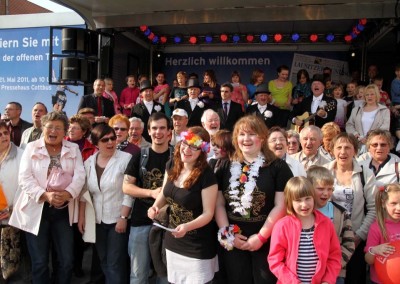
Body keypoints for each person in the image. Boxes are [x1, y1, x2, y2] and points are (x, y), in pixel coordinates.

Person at [214, 115, 293, 283]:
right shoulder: (225, 165)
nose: (246, 139)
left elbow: (281, 205)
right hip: (233, 239)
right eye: (242, 134)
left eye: (251, 134)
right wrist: (227, 233)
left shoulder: (278, 167)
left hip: (267, 238)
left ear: (262, 137)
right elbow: (219, 203)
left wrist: (261, 237)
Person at [9, 111, 85, 284]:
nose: (53, 131)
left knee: (66, 261)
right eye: (49, 127)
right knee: (40, 262)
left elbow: (80, 176)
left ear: (65, 131)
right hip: (37, 209)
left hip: (63, 211)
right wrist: (45, 195)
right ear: (43, 128)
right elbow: (24, 178)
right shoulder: (31, 147)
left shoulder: (73, 148)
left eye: (58, 127)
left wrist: (67, 194)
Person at [148, 127, 218, 283]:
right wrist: (155, 207)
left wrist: (187, 227)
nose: (187, 149)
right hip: (173, 241)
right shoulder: (172, 164)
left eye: (194, 147)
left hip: (197, 245)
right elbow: (164, 194)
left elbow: (208, 213)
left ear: (202, 151)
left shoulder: (207, 175)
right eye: (185, 143)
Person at [78, 124, 133, 284]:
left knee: (114, 263)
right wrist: (82, 217)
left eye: (113, 138)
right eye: (105, 140)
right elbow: (84, 192)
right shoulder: (89, 162)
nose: (110, 142)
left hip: (117, 219)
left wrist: (123, 216)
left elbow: (128, 191)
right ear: (96, 144)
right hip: (97, 221)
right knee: (103, 261)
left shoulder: (125, 158)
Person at [123, 112, 172, 284]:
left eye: (162, 128)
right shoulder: (140, 155)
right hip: (141, 220)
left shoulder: (178, 157)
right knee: (138, 274)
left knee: (165, 276)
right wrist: (150, 193)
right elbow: (126, 186)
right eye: (154, 128)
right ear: (149, 132)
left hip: (169, 223)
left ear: (169, 132)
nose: (158, 132)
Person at [324, 132, 377, 284]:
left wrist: (359, 236)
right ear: (332, 150)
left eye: (348, 147)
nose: (343, 152)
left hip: (356, 239)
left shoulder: (365, 174)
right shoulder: (323, 171)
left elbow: (373, 209)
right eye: (339, 147)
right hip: (328, 239)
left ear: (355, 150)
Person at [268, 177, 342, 284]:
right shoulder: (282, 226)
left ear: (313, 198)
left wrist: (328, 280)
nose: (304, 204)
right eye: (298, 200)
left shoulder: (326, 224)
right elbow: (275, 261)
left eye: (308, 198)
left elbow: (334, 256)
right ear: (290, 201)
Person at [307, 166, 355, 284]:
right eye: (321, 188)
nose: (326, 193)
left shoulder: (341, 213)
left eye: (330, 189)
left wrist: (334, 266)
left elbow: (349, 244)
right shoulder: (302, 213)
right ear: (309, 188)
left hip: (334, 274)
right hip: (307, 272)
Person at [0, 122, 24, 281]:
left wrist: (12, 206)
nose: (3, 137)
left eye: (5, 133)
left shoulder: (21, 155)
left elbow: (25, 184)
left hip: (13, 213)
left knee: (12, 257)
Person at [365, 183, 400, 284]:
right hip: (380, 280)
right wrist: (375, 250)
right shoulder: (376, 228)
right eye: (393, 203)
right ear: (383, 203)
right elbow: (368, 259)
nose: (399, 208)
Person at [346, 84, 390, 155]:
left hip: (375, 146)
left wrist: (370, 137)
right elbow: (349, 125)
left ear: (377, 95)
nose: (369, 96)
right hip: (357, 145)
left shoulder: (384, 110)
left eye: (372, 94)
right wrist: (356, 135)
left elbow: (385, 127)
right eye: (367, 94)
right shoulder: (356, 109)